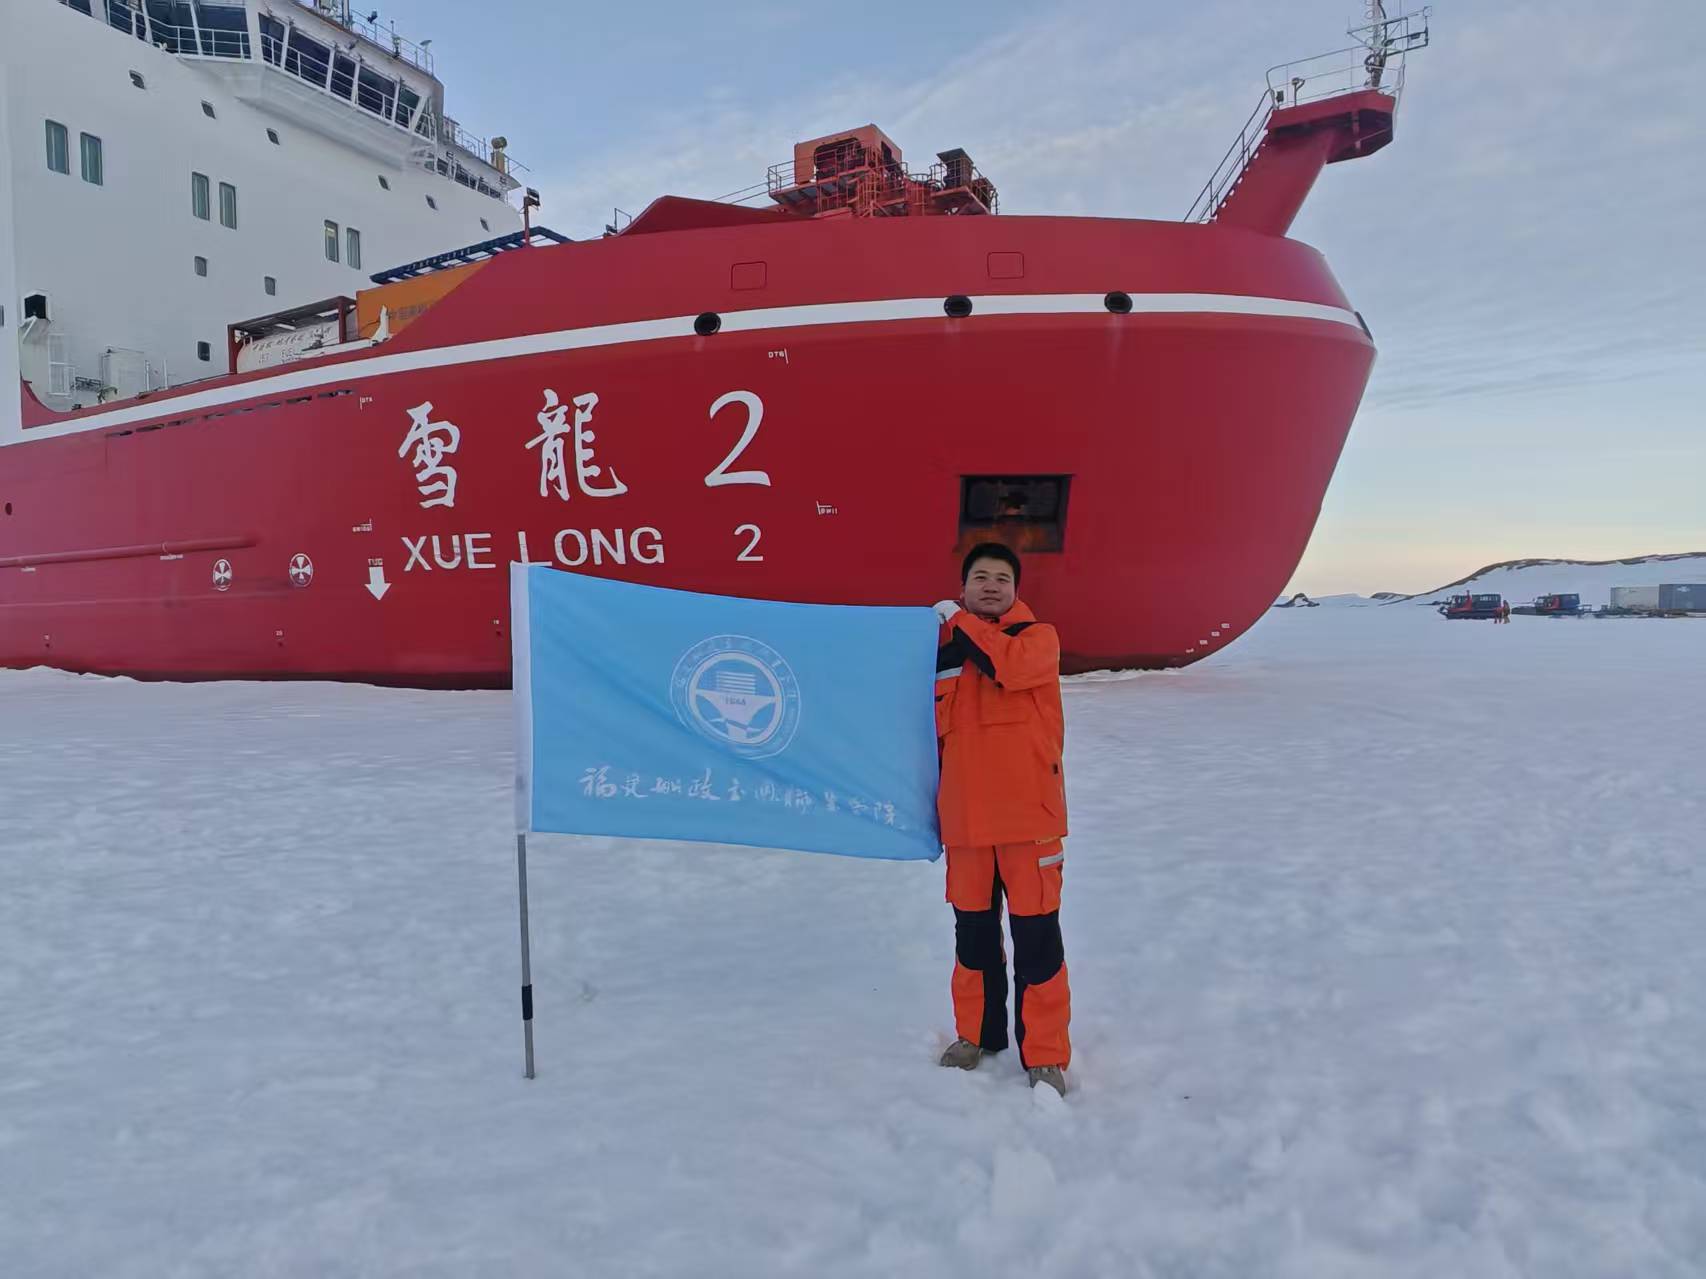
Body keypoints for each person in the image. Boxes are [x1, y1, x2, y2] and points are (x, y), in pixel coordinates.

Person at [931, 542, 1071, 1096]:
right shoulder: (943, 653)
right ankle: (976, 1034)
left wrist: (958, 622)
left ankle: (1045, 1055)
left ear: (1016, 591)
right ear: (963, 587)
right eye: (980, 577)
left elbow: (1007, 668)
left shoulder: (1038, 639)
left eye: (1002, 579)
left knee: (1038, 942)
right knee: (973, 938)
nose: (990, 586)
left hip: (1028, 822)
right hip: (966, 823)